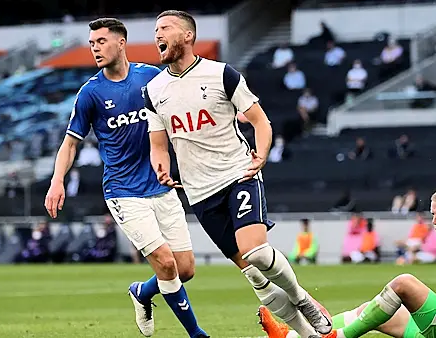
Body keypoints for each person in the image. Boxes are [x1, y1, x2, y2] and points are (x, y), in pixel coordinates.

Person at [144, 10, 331, 337]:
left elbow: (260, 121)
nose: (158, 34)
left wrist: (262, 154)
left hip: (237, 174)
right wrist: (160, 165)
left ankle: (303, 299)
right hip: (199, 193)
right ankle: (309, 334)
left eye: (166, 28)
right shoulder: (154, 90)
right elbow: (158, 144)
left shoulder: (222, 75)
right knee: (255, 276)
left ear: (188, 36)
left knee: (256, 250)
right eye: (156, 29)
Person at [43, 18, 207, 337]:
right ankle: (197, 333)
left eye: (101, 42)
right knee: (166, 264)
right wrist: (57, 180)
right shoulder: (91, 92)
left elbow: (184, 100)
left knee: (185, 269)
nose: (95, 49)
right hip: (123, 191)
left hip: (161, 186)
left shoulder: (151, 76)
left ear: (121, 43)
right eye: (92, 44)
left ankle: (142, 293)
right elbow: (71, 142)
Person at [259, 185, 436, 338]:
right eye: (432, 214)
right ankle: (297, 336)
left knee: (404, 283)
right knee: (372, 310)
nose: (434, 221)